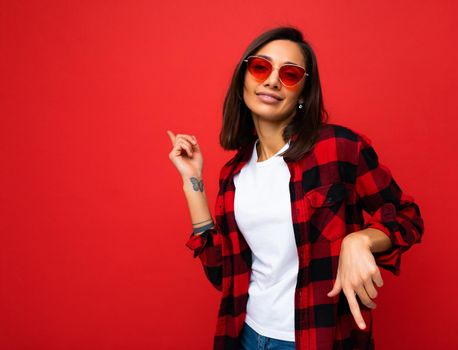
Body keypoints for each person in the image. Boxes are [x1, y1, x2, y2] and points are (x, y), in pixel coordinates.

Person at [167, 26, 424, 350]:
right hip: (244, 336)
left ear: (303, 93)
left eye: (289, 74)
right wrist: (193, 182)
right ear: (243, 79)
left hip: (316, 339)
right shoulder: (234, 174)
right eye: (261, 67)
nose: (272, 80)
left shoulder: (339, 148)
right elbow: (223, 275)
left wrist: (360, 240)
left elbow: (408, 217)